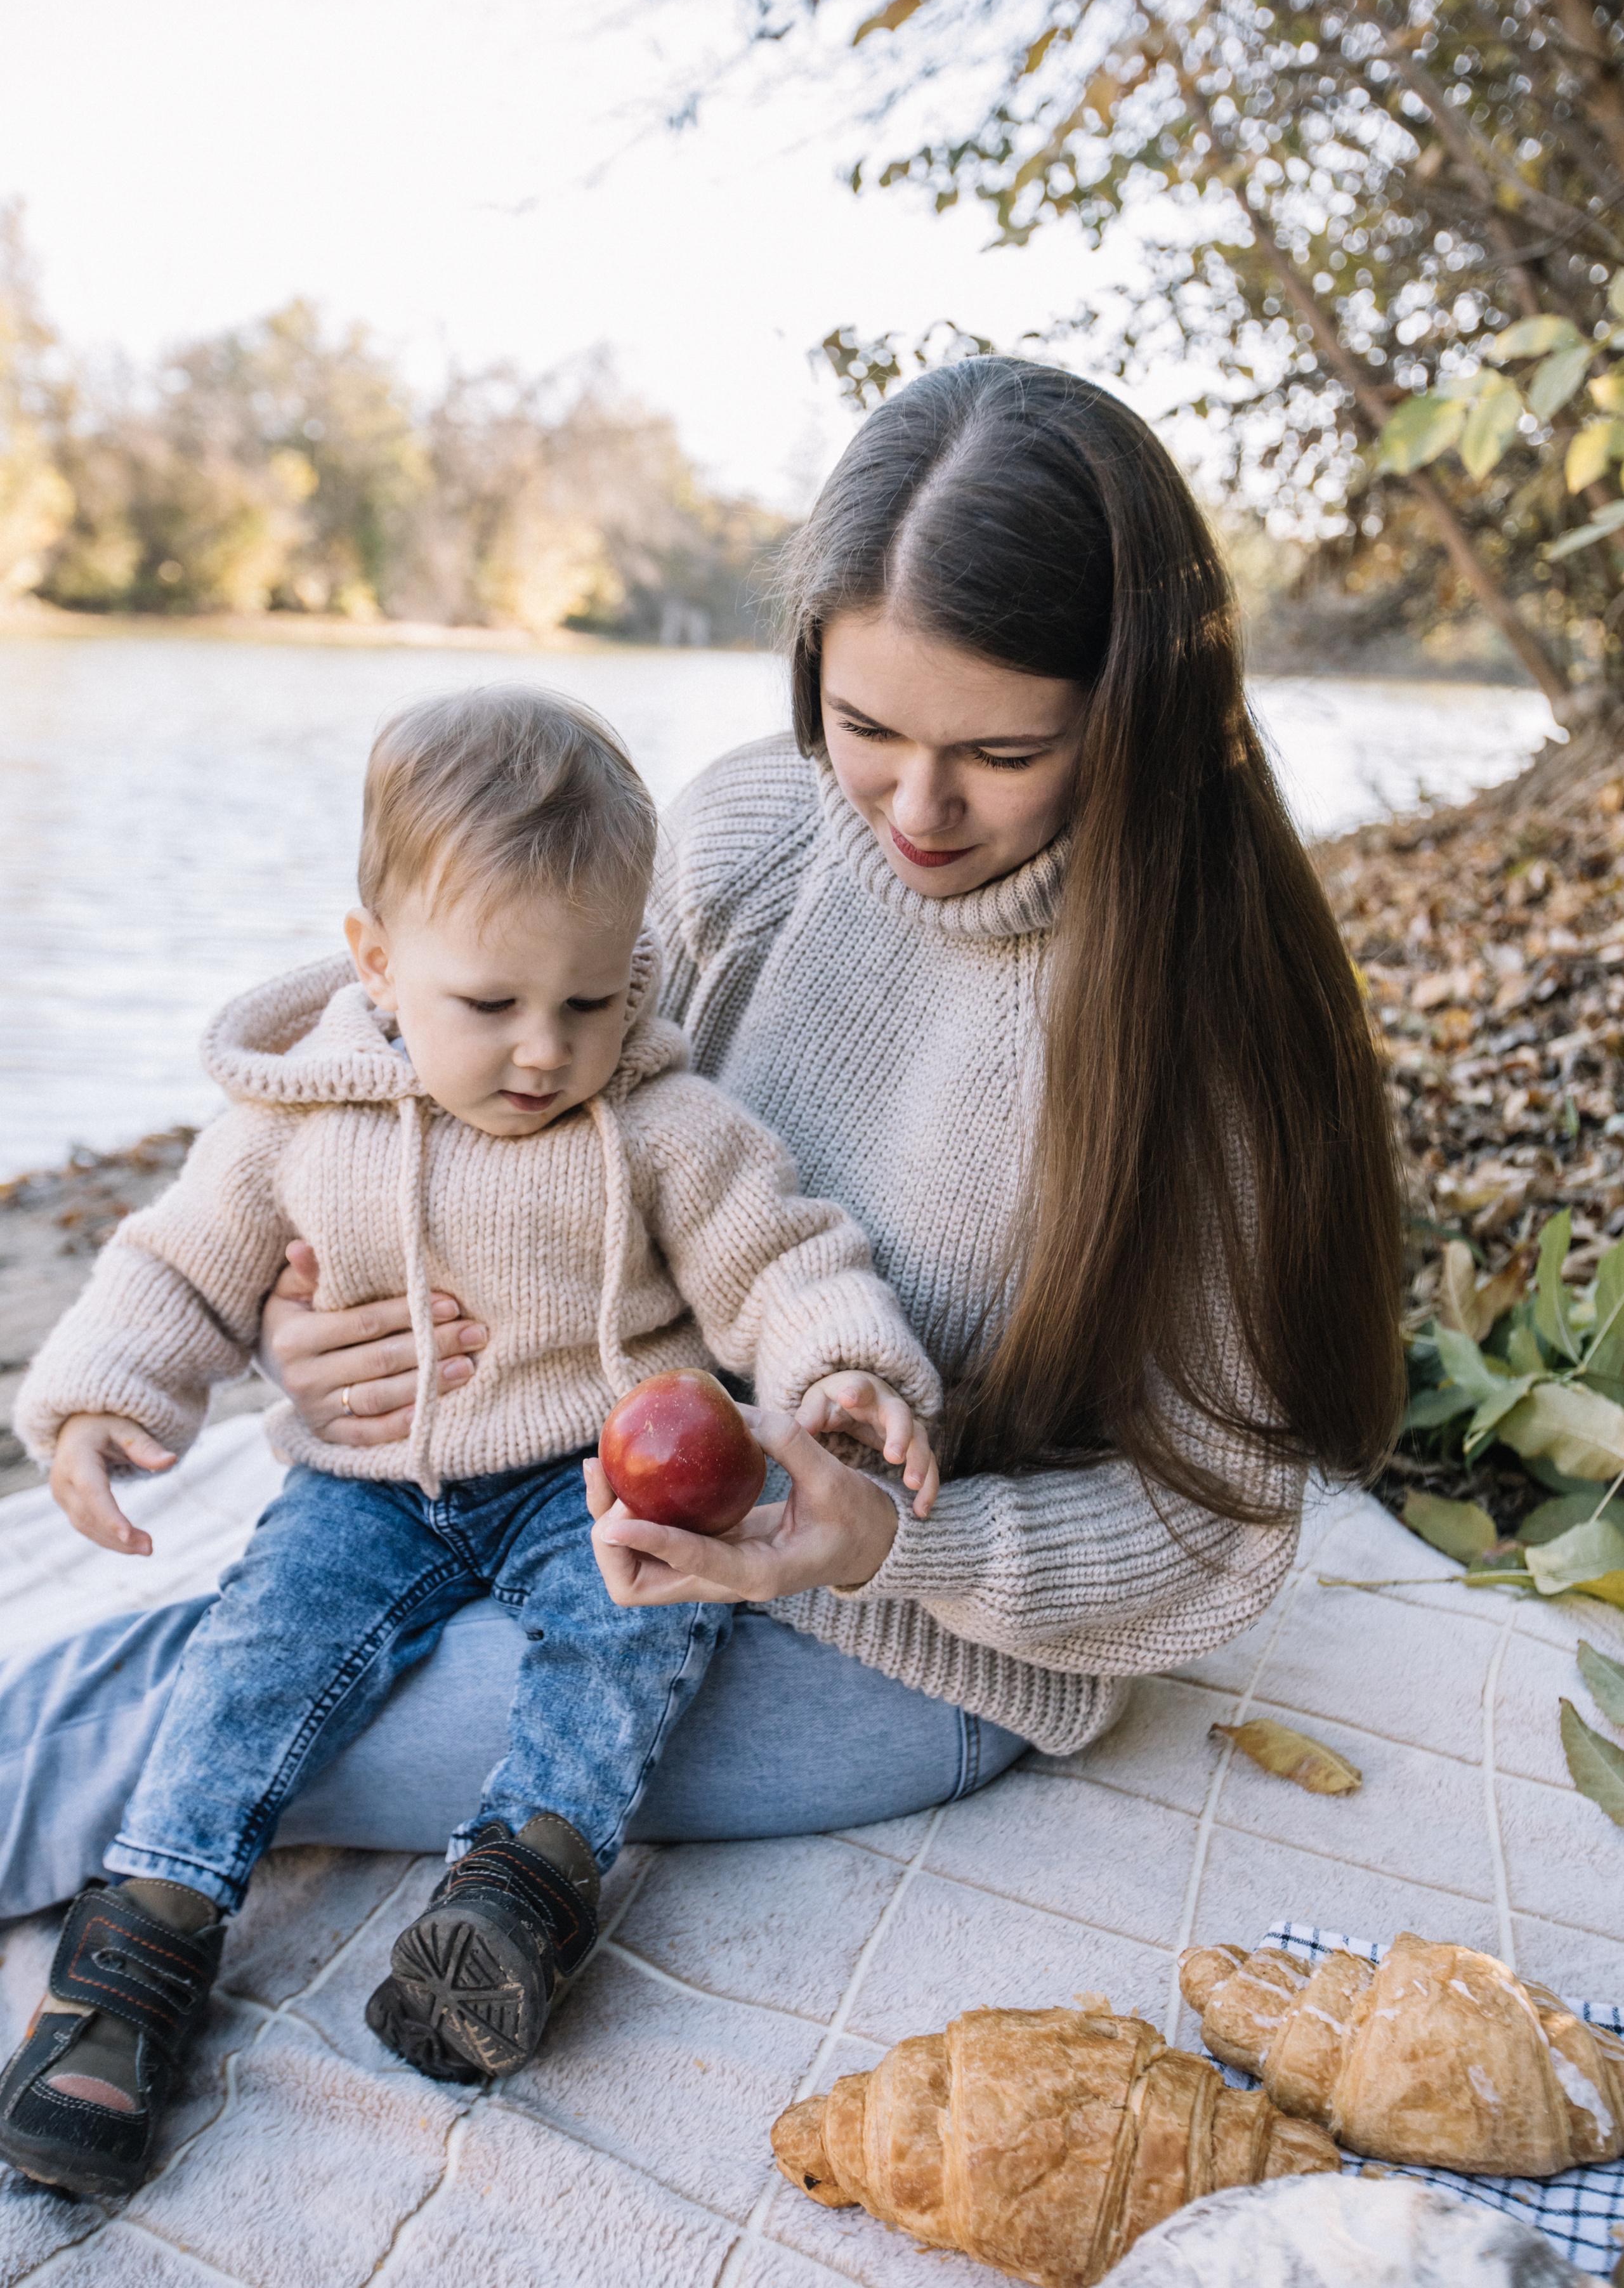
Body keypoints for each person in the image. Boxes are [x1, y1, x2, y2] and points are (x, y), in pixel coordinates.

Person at [0, 357, 1403, 1987]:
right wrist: (309, 1326)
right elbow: (473, 1054)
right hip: (558, 1496)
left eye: (1002, 754)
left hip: (890, 1645)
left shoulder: (1202, 1034)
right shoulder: (751, 831)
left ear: (1137, 716)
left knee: (146, 1728)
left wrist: (884, 1541)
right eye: (863, 724)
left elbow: (1214, 1534)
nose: (913, 805)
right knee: (239, 1655)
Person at [0, 686, 938, 2197]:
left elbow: (783, 1256)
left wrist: (840, 1365)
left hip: (587, 1475)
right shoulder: (296, 1118)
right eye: (490, 1006)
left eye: (586, 1002)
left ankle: (518, 1890)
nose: (542, 1049)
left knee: (634, 1631)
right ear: (378, 960)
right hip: (369, 1488)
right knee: (252, 1657)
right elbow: (179, 1261)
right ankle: (141, 1942)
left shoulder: (662, 1124)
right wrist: (105, 1397)